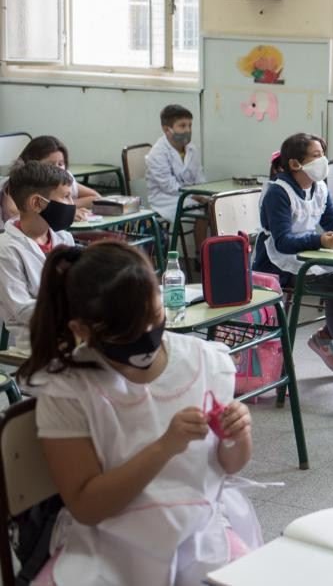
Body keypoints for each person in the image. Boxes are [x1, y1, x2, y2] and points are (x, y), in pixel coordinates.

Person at [17, 242, 260, 585]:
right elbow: (87, 506)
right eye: (128, 333)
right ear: (82, 331)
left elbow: (229, 465)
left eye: (154, 317)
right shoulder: (70, 389)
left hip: (198, 534)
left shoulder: (204, 361)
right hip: (108, 545)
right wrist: (163, 447)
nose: (147, 338)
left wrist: (238, 436)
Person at [253, 133, 333, 374]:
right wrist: (319, 240)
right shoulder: (278, 192)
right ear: (295, 164)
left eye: (323, 155)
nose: (323, 160)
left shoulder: (320, 188)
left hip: (306, 254)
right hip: (276, 264)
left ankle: (327, 335)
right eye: (316, 156)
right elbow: (283, 241)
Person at [0, 162, 77, 351]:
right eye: (66, 197)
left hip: (74, 327)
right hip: (37, 340)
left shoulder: (63, 237)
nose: (72, 205)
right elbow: (21, 308)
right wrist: (76, 308)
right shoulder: (6, 249)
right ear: (37, 203)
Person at [1, 136, 99, 223]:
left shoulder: (64, 179)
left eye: (61, 163)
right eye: (50, 165)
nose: (58, 169)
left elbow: (95, 198)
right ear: (32, 164)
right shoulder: (20, 179)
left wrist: (65, 207)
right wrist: (62, 211)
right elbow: (13, 211)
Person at [145, 104, 206, 227]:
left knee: (213, 206)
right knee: (201, 213)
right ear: (167, 130)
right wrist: (195, 196)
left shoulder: (191, 150)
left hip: (187, 195)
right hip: (165, 199)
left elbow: (199, 178)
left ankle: (211, 246)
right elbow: (168, 186)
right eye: (182, 126)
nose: (188, 130)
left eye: (190, 125)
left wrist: (204, 195)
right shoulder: (157, 153)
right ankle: (201, 247)